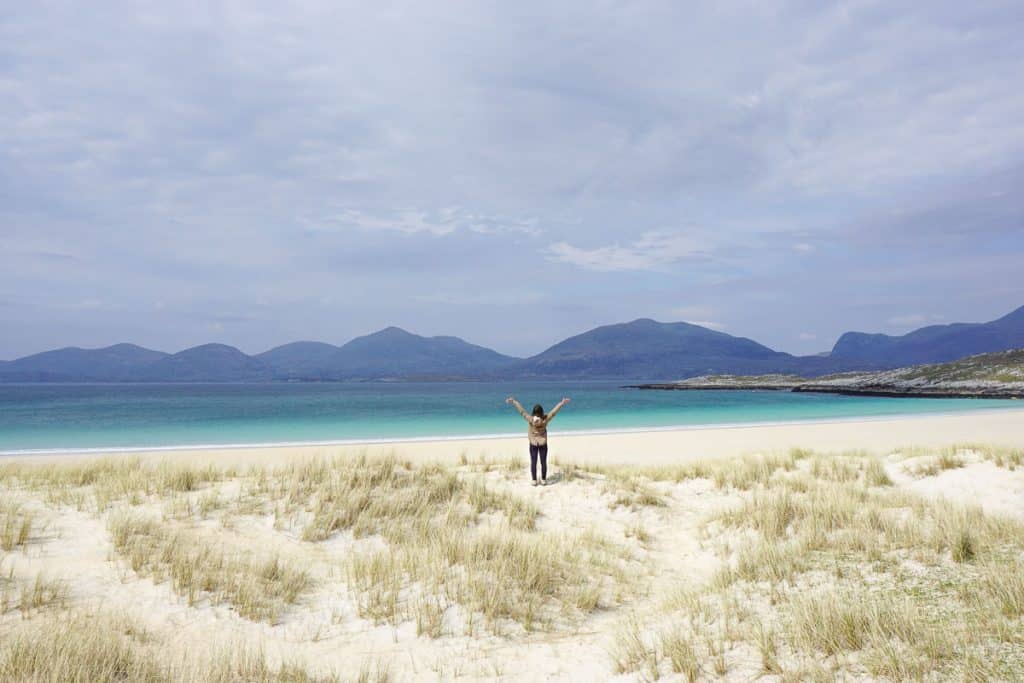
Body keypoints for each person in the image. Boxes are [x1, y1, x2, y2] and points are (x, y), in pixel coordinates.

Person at [505, 396, 570, 486]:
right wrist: (561, 403)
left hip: (533, 444)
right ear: (541, 412)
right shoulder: (545, 419)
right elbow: (553, 412)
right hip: (543, 444)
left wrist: (514, 402)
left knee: (533, 462)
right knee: (543, 462)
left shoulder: (531, 420)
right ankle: (543, 480)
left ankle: (534, 480)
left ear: (534, 413)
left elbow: (522, 412)